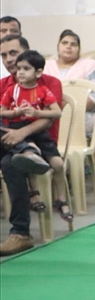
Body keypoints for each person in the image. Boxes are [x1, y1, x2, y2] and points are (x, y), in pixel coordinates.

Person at [0, 50, 71, 232]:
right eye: (19, 69)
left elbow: (57, 112)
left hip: (40, 134)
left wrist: (37, 112)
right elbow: (2, 111)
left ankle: (61, 199)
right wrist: (15, 112)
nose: (20, 73)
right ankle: (35, 194)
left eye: (26, 69)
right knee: (28, 159)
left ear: (38, 72)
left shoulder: (43, 90)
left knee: (57, 163)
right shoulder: (12, 90)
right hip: (17, 129)